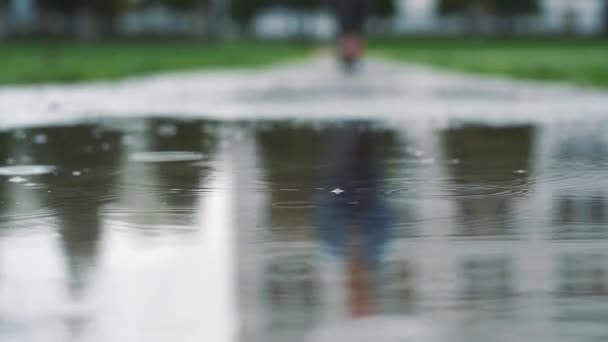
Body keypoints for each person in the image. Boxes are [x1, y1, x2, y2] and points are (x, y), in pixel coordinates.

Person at [332, 0, 369, 71]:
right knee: (347, 40)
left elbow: (365, 8)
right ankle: (347, 60)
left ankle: (354, 59)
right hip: (345, 20)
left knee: (354, 40)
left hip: (355, 21)